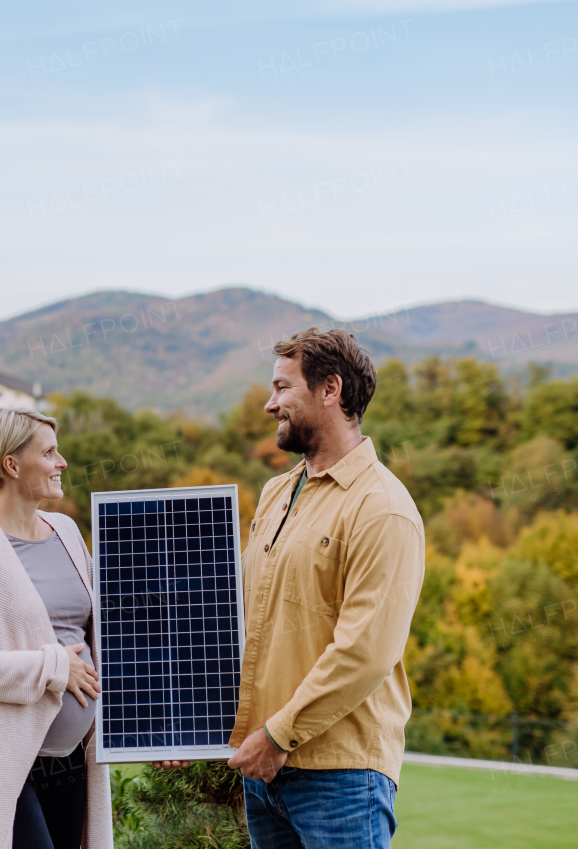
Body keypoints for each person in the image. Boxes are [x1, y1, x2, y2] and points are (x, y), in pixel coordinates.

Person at [156, 327, 425, 849]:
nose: (268, 404)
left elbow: (366, 651)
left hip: (339, 778)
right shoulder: (278, 492)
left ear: (331, 390)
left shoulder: (382, 508)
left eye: (282, 388)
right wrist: (183, 719)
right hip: (265, 774)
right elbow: (234, 619)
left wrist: (279, 736)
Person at [0, 407, 112, 849]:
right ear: (11, 465)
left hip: (72, 761)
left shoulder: (66, 531)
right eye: (49, 452)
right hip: (9, 764)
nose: (62, 462)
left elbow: (94, 633)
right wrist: (51, 668)